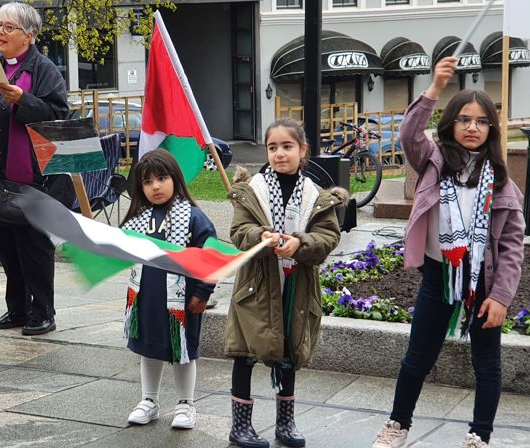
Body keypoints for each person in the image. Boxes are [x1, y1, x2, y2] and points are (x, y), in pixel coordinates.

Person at [372, 57, 524, 448]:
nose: (472, 127)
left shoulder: (503, 184)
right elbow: (408, 134)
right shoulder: (434, 162)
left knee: (487, 364)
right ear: (450, 123)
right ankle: (396, 426)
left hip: (484, 283)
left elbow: (510, 248)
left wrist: (502, 297)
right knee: (416, 359)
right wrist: (435, 88)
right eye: (464, 119)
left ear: (491, 129)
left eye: (481, 121)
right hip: (439, 277)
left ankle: (479, 436)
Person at [224, 119, 346, 448]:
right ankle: (240, 426)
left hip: (296, 285)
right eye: (273, 147)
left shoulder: (315, 196)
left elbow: (328, 236)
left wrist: (300, 243)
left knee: (289, 350)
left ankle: (285, 422)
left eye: (287, 146)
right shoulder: (254, 192)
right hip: (257, 286)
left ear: (303, 151)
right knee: (245, 352)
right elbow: (238, 232)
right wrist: (259, 236)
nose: (279, 154)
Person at [0, 2, 68, 336]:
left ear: (28, 36)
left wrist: (22, 99)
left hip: (28, 175)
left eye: (8, 27)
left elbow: (57, 116)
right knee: (5, 243)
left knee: (32, 245)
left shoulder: (43, 70)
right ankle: (17, 308)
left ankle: (43, 311)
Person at [121, 149, 217, 430]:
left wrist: (203, 292)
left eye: (161, 178)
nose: (155, 186)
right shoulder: (138, 218)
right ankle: (149, 401)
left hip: (183, 301)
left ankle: (186, 404)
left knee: (182, 350)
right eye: (147, 182)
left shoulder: (193, 218)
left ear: (175, 178)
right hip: (146, 298)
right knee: (148, 348)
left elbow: (210, 256)